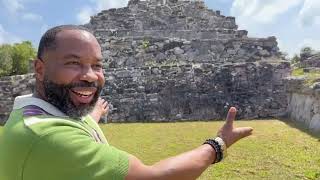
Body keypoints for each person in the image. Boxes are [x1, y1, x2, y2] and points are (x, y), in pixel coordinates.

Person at [0, 25, 253, 180]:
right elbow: (154, 178)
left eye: (97, 65)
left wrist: (93, 113)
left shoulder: (33, 114)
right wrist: (218, 144)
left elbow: (70, 122)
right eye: (73, 63)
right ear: (40, 69)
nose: (90, 76)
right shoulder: (46, 137)